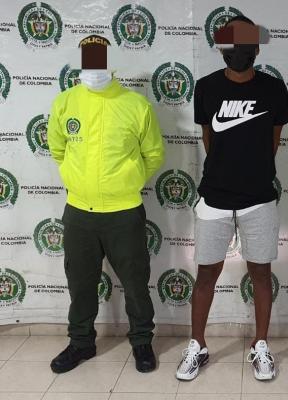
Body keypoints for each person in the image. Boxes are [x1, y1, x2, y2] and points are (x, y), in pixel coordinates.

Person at [175, 16, 288, 381]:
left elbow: (273, 142)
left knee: (261, 272)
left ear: (256, 48)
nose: (238, 50)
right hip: (215, 196)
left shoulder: (274, 89)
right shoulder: (206, 87)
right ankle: (197, 345)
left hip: (259, 196)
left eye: (244, 43)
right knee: (206, 273)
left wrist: (250, 171)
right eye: (231, 43)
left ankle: (260, 345)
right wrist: (228, 170)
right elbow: (209, 139)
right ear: (222, 48)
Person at [47, 35, 164, 374]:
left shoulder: (135, 105)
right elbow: (58, 149)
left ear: (111, 62)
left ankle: (141, 341)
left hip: (123, 213)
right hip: (79, 213)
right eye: (89, 58)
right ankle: (81, 343)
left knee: (135, 283)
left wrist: (127, 182)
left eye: (100, 58)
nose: (94, 65)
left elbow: (153, 154)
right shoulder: (65, 102)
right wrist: (79, 181)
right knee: (80, 283)